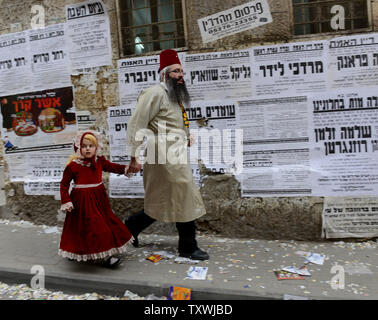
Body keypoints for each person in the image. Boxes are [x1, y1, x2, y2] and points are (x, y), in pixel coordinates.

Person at [124, 49, 209, 261]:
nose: (181, 75)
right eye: (176, 71)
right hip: (162, 155)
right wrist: (133, 156)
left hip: (174, 154)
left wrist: (186, 135)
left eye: (181, 71)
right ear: (164, 74)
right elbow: (137, 124)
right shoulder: (154, 93)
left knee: (163, 199)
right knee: (184, 195)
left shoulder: (173, 95)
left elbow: (173, 121)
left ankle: (130, 227)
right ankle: (188, 247)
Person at [59, 130, 133, 268]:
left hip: (98, 198)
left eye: (91, 146)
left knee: (103, 224)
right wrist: (66, 200)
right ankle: (101, 256)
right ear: (78, 147)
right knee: (87, 227)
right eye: (84, 146)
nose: (87, 149)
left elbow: (112, 167)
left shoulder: (99, 161)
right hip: (81, 200)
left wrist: (127, 169)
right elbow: (64, 184)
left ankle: (102, 253)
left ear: (96, 147)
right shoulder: (73, 166)